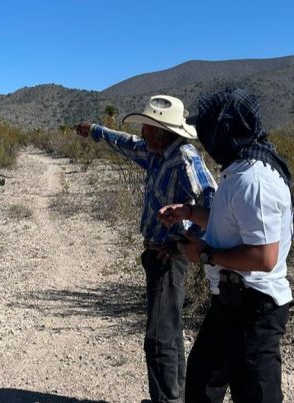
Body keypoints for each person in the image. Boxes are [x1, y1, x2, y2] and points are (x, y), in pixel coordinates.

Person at [75, 95, 217, 403]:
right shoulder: (156, 154)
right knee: (168, 332)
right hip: (156, 254)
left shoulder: (185, 159)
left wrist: (182, 245)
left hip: (169, 256)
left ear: (162, 132)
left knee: (159, 338)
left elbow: (214, 207)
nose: (142, 133)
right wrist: (96, 130)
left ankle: (167, 400)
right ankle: (175, 397)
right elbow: (126, 142)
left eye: (148, 128)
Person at [159, 88, 294, 403]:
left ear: (224, 132)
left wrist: (205, 254)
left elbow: (264, 256)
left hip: (254, 308)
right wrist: (191, 212)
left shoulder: (253, 181)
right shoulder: (241, 171)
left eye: (208, 132)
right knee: (202, 382)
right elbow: (231, 224)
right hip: (230, 303)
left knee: (255, 395)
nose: (205, 140)